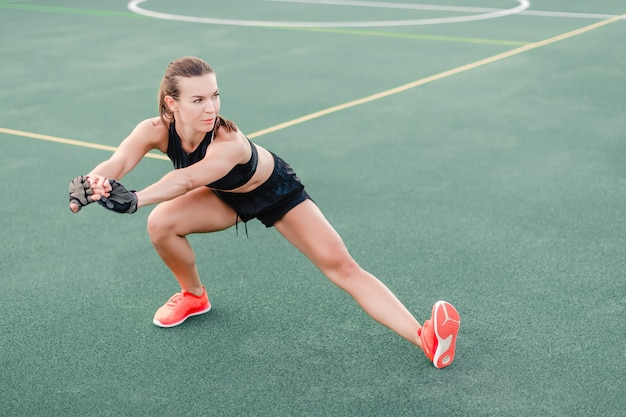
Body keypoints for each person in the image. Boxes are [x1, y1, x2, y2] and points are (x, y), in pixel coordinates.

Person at [68, 56, 460, 368]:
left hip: (275, 192)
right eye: (198, 99)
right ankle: (193, 296)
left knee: (341, 266)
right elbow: (117, 162)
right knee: (162, 224)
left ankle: (425, 337)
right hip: (223, 196)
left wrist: (136, 198)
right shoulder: (153, 129)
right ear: (172, 103)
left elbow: (187, 180)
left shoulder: (228, 141)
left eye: (215, 95)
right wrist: (93, 183)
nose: (211, 107)